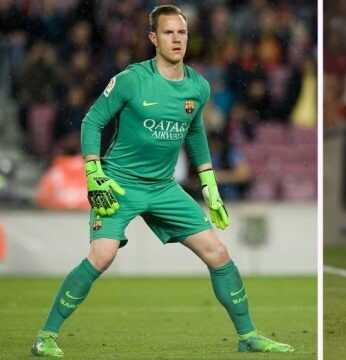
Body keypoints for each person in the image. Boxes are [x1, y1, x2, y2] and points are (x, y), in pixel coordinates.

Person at [31, 5, 294, 357]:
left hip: (163, 187)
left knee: (218, 253)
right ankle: (46, 336)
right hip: (120, 184)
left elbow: (195, 133)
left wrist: (210, 185)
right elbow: (91, 122)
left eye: (181, 33)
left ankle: (248, 335)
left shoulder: (198, 87)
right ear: (153, 38)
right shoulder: (131, 80)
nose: (176, 40)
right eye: (168, 33)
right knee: (102, 255)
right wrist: (94, 173)